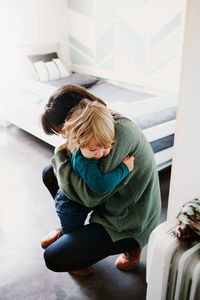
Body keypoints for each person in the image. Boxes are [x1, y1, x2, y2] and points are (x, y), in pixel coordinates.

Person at [41, 84, 161, 277]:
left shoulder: (114, 135)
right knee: (49, 172)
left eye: (64, 129)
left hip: (128, 218)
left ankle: (132, 247)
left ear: (79, 116)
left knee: (54, 257)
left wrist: (61, 155)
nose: (64, 136)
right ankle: (69, 226)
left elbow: (90, 197)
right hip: (111, 200)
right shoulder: (96, 125)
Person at [44, 98, 134, 241]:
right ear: (78, 143)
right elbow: (101, 185)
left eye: (106, 147)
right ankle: (73, 252)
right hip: (69, 207)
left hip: (79, 198)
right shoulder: (83, 161)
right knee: (72, 235)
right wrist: (124, 168)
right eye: (93, 149)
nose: (99, 154)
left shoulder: (94, 141)